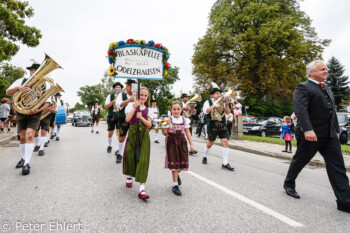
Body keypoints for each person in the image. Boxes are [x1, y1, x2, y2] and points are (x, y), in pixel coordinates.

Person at [284, 60, 350, 213]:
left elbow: (331, 112)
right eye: (322, 69)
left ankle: (345, 202)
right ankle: (289, 183)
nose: (326, 71)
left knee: (338, 166)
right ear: (311, 72)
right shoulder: (303, 87)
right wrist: (307, 129)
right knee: (300, 160)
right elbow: (301, 110)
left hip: (329, 135)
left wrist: (337, 129)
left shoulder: (326, 88)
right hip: (311, 135)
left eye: (326, 69)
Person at [5, 60, 51, 175]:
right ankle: (23, 157)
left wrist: (38, 109)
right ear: (30, 71)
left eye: (36, 70)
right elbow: (7, 93)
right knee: (22, 137)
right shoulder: (21, 81)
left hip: (35, 113)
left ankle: (26, 163)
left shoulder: (45, 84)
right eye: (32, 70)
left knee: (30, 135)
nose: (34, 72)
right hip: (21, 112)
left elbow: (47, 102)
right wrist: (18, 88)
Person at [123, 87, 153, 200]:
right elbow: (127, 119)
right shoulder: (130, 106)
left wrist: (141, 117)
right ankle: (130, 175)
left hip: (144, 135)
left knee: (143, 159)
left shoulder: (148, 109)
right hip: (133, 133)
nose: (143, 97)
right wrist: (135, 107)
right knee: (130, 156)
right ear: (137, 95)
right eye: (141, 95)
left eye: (145, 96)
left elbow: (149, 125)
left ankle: (142, 189)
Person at [163, 101, 194, 196]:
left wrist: (191, 144)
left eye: (178, 109)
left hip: (182, 141)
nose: (176, 111)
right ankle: (175, 185)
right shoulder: (168, 119)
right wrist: (164, 127)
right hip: (171, 142)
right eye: (174, 109)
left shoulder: (185, 120)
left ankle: (177, 174)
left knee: (183, 162)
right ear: (171, 110)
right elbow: (165, 133)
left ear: (181, 110)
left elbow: (188, 132)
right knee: (174, 163)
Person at [202, 82, 234, 171]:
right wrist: (213, 106)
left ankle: (225, 163)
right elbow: (206, 111)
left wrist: (227, 104)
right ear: (212, 95)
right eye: (216, 93)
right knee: (210, 143)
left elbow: (227, 112)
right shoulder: (207, 102)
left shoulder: (223, 102)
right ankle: (205, 155)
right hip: (212, 124)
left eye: (219, 93)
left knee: (225, 141)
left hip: (222, 123)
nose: (218, 95)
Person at [115, 79, 136, 163]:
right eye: (129, 85)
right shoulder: (121, 95)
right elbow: (118, 105)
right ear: (127, 86)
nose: (131, 87)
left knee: (133, 137)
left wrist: (136, 98)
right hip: (123, 118)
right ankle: (120, 153)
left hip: (134, 118)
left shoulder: (137, 95)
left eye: (133, 86)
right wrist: (128, 100)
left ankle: (132, 155)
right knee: (122, 137)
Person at [105, 82, 123, 157]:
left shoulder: (123, 96)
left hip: (119, 115)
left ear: (121, 89)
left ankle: (117, 149)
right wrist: (113, 102)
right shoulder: (110, 96)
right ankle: (109, 145)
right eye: (116, 87)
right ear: (114, 88)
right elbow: (106, 106)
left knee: (118, 132)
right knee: (110, 133)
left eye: (119, 87)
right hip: (112, 115)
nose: (118, 88)